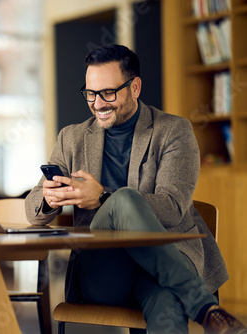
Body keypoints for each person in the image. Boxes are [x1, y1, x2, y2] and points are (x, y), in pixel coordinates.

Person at [25, 44, 247, 334]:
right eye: (90, 94)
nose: (98, 103)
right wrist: (51, 197)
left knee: (167, 302)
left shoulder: (173, 131)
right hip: (104, 272)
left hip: (163, 268)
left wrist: (102, 196)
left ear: (135, 87)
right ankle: (204, 306)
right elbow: (32, 211)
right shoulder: (72, 138)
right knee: (123, 199)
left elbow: (172, 207)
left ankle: (192, 301)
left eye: (108, 93)